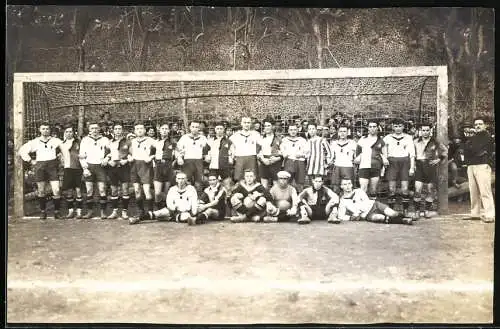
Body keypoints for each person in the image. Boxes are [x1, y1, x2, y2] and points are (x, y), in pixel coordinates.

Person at [19, 122, 63, 219]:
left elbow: (64, 148)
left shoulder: (55, 140)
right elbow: (22, 150)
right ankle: (43, 212)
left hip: (52, 166)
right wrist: (31, 160)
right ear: (40, 130)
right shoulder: (35, 142)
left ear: (50, 130)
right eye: (43, 129)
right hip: (40, 166)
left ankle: (57, 211)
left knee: (56, 189)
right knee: (41, 190)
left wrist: (62, 157)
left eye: (47, 129)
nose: (45, 130)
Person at [129, 171, 198, 224]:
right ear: (176, 180)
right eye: (179, 178)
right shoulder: (172, 189)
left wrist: (193, 212)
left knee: (185, 217)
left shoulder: (191, 189)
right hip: (173, 210)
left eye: (183, 179)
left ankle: (169, 218)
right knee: (158, 213)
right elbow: (169, 202)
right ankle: (138, 219)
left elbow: (194, 202)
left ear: (186, 180)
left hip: (185, 211)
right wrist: (173, 208)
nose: (181, 181)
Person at [337, 178, 412, 225]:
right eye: (345, 184)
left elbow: (366, 202)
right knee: (379, 218)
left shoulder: (359, 191)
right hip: (367, 215)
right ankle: (403, 221)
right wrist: (351, 217)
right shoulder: (343, 201)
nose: (347, 186)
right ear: (341, 186)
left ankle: (405, 217)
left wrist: (358, 210)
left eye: (349, 183)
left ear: (352, 184)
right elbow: (341, 216)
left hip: (374, 205)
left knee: (392, 213)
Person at [463, 117, 495, 222]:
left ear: (485, 125)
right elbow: (466, 151)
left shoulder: (488, 137)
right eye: (476, 124)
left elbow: (477, 150)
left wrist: (473, 151)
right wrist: (472, 152)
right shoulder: (472, 138)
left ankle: (490, 215)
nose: (477, 126)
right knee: (473, 191)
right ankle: (475, 213)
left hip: (483, 165)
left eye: (480, 124)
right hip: (471, 166)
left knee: (485, 191)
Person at [413, 123, 447, 219]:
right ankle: (417, 211)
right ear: (420, 131)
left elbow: (445, 151)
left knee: (430, 190)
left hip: (430, 166)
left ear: (430, 131)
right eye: (423, 130)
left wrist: (439, 159)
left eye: (427, 130)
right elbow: (411, 153)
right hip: (419, 166)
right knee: (417, 189)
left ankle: (427, 211)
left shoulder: (435, 142)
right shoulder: (415, 141)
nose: (425, 132)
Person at [383, 118, 416, 216]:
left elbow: (412, 154)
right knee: (391, 188)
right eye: (396, 126)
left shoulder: (408, 137)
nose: (398, 128)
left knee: (405, 188)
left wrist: (412, 167)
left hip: (404, 162)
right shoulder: (387, 138)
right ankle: (391, 211)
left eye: (400, 126)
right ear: (392, 127)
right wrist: (384, 160)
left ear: (403, 127)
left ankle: (405, 211)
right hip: (392, 162)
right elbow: (383, 151)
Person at [79, 121, 111, 219]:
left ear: (99, 129)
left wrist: (107, 158)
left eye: (96, 128)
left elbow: (112, 151)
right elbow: (81, 156)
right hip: (89, 166)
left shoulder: (105, 139)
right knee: (89, 190)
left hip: (100, 167)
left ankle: (103, 212)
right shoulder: (85, 140)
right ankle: (90, 212)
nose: (94, 130)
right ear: (89, 130)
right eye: (92, 128)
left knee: (102, 189)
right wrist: (85, 168)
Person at [105, 122, 132, 219]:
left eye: (119, 129)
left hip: (124, 167)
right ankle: (114, 211)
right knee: (114, 190)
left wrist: (126, 160)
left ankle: (124, 211)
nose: (117, 131)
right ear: (113, 130)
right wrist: (108, 161)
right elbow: (106, 154)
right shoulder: (110, 142)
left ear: (122, 130)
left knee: (125, 189)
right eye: (116, 129)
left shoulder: (128, 141)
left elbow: (132, 154)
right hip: (113, 167)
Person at [354, 120, 387, 199]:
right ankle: (362, 209)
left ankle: (372, 209)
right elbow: (357, 154)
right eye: (370, 127)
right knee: (363, 189)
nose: (372, 128)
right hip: (364, 167)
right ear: (368, 128)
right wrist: (358, 160)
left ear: (377, 128)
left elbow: (385, 156)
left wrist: (383, 166)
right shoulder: (362, 139)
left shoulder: (381, 141)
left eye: (374, 127)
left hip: (376, 167)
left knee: (373, 190)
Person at [129, 123, 156, 217]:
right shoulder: (132, 141)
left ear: (145, 130)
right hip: (135, 165)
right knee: (136, 190)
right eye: (137, 129)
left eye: (141, 128)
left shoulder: (151, 140)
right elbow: (128, 152)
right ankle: (140, 211)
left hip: (145, 166)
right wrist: (129, 157)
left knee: (147, 190)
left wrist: (151, 157)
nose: (139, 130)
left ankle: (150, 211)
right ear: (134, 131)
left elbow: (160, 151)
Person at [176, 121, 210, 191]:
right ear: (190, 128)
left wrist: (207, 156)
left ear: (199, 128)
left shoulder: (203, 138)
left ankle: (198, 199)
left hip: (199, 162)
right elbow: (177, 150)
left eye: (196, 127)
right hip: (187, 162)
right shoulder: (184, 138)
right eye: (193, 127)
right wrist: (179, 158)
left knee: (199, 182)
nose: (194, 129)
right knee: (186, 181)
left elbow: (207, 150)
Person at [59, 125, 84, 219]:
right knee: (69, 191)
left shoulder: (79, 142)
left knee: (78, 190)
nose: (69, 133)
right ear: (64, 133)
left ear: (73, 132)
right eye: (67, 132)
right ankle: (70, 211)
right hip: (67, 168)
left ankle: (79, 212)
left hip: (78, 168)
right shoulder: (61, 144)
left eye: (70, 131)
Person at [229, 117, 262, 182]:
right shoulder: (235, 135)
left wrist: (259, 156)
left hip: (252, 159)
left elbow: (261, 147)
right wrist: (232, 156)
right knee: (239, 179)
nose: (246, 124)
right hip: (240, 159)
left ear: (251, 124)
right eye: (245, 122)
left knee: (252, 178)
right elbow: (231, 147)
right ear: (241, 123)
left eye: (248, 123)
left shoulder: (256, 134)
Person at [153, 122, 176, 211]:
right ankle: (157, 208)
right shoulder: (155, 142)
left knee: (166, 191)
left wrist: (175, 160)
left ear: (169, 130)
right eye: (163, 129)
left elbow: (178, 152)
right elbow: (151, 154)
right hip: (158, 166)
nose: (164, 131)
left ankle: (165, 209)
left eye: (166, 129)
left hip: (168, 166)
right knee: (158, 192)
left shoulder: (172, 142)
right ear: (159, 130)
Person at [280, 124, 309, 192]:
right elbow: (282, 150)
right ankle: (288, 199)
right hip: (289, 162)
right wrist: (284, 154)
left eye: (295, 130)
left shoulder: (302, 140)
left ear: (297, 130)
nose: (293, 131)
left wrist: (301, 155)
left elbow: (307, 153)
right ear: (288, 131)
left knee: (300, 183)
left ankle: (300, 199)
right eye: (291, 130)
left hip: (300, 162)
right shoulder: (284, 140)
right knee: (287, 181)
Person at [207, 122, 234, 193]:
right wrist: (207, 157)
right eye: (217, 128)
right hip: (213, 167)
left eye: (221, 129)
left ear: (224, 130)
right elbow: (205, 152)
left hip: (225, 167)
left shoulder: (229, 141)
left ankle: (227, 201)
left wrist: (230, 158)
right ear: (215, 130)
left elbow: (233, 153)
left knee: (227, 186)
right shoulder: (210, 141)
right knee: (213, 186)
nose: (219, 130)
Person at [330, 125, 357, 194]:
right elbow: (331, 156)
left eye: (344, 131)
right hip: (337, 166)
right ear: (338, 132)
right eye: (341, 131)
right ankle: (337, 203)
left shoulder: (352, 143)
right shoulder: (334, 143)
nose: (342, 133)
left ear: (348, 132)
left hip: (348, 166)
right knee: (336, 188)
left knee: (348, 187)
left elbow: (356, 156)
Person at [258, 118, 283, 189]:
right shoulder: (261, 138)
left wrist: (276, 158)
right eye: (265, 126)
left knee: (276, 184)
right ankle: (265, 199)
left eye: (269, 125)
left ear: (273, 126)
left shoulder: (279, 138)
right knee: (264, 184)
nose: (267, 128)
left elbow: (283, 152)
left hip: (275, 162)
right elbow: (258, 151)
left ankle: (275, 199)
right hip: (264, 161)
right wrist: (263, 159)